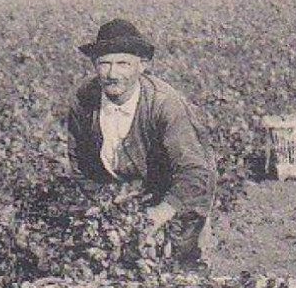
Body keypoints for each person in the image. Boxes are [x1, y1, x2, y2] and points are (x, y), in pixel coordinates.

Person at [66, 18, 216, 266]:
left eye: (123, 63)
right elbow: (81, 164)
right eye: (104, 64)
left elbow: (195, 172)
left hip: (177, 196)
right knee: (119, 274)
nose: (113, 74)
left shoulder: (164, 104)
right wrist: (108, 208)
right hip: (127, 196)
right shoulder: (84, 101)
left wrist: (161, 213)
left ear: (142, 65)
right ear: (94, 65)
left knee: (181, 276)